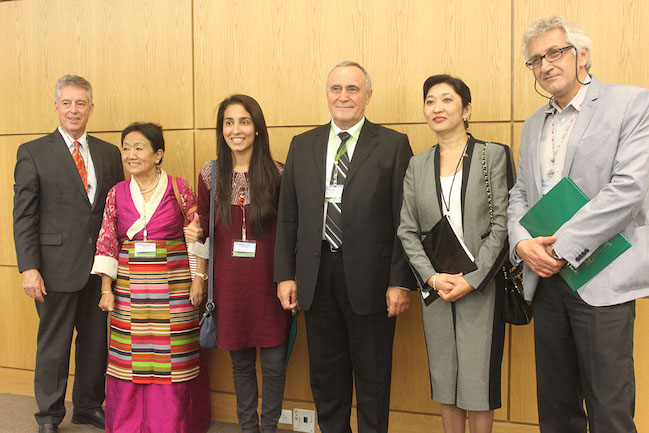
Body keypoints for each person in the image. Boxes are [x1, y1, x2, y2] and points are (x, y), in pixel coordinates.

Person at [508, 16, 649, 433]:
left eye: (555, 52)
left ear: (582, 55)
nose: (545, 64)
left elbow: (628, 190)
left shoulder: (631, 103)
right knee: (556, 404)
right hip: (546, 279)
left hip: (602, 275)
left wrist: (561, 246)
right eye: (536, 60)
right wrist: (521, 246)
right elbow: (520, 194)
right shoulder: (534, 123)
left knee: (609, 405)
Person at [274, 61, 416, 433]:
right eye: (336, 88)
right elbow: (289, 217)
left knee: (372, 378)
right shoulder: (302, 145)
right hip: (316, 276)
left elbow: (407, 219)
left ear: (368, 95)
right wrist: (285, 276)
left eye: (353, 89)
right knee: (326, 376)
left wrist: (400, 280)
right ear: (327, 94)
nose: (344, 96)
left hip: (372, 278)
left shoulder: (393, 144)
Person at [397, 75, 509, 433]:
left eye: (447, 100)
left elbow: (502, 225)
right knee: (445, 378)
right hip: (439, 285)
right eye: (430, 101)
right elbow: (407, 230)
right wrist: (432, 277)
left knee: (478, 382)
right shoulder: (417, 164)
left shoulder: (492, 155)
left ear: (466, 109)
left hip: (481, 286)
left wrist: (474, 280)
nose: (437, 108)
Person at [12, 75, 124, 433]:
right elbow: (25, 215)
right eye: (67, 103)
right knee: (54, 346)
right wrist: (29, 268)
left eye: (81, 103)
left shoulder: (109, 153)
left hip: (99, 267)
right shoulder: (33, 151)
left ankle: (89, 406)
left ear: (91, 108)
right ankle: (48, 415)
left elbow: (114, 211)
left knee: (95, 345)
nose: (74, 110)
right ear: (56, 107)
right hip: (55, 268)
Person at [90, 122, 211, 433]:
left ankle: (172, 423)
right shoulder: (117, 192)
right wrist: (107, 289)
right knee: (130, 358)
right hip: (130, 289)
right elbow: (107, 240)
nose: (131, 154)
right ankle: (129, 424)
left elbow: (197, 233)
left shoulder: (178, 187)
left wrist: (199, 278)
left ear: (158, 154)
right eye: (126, 148)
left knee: (175, 355)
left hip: (175, 287)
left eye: (139, 148)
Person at [188, 94, 290, 433]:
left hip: (270, 284)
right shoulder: (210, 173)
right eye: (228, 122)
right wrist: (199, 274)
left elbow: (291, 232)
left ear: (257, 128)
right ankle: (248, 427)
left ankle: (270, 427)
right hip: (229, 285)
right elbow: (202, 230)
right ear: (221, 130)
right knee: (241, 365)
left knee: (275, 365)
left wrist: (292, 279)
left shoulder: (278, 174)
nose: (236, 130)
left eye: (244, 121)